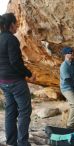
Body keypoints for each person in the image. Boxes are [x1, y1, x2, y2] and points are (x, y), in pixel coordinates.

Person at [0, 13, 35, 146]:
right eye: (16, 23)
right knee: (25, 111)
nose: (17, 26)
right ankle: (23, 143)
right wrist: (29, 74)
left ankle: (11, 142)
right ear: (11, 25)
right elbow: (15, 62)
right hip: (16, 82)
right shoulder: (11, 39)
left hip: (3, 82)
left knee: (10, 112)